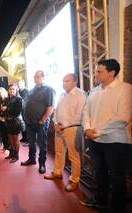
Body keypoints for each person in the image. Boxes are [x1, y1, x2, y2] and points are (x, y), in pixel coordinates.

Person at [79, 59, 132, 212]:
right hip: (95, 140)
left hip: (115, 141)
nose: (95, 74)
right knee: (99, 173)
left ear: (112, 73)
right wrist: (88, 129)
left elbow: (123, 117)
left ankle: (117, 207)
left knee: (117, 176)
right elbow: (86, 112)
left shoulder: (125, 89)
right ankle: (100, 201)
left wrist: (97, 132)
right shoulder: (95, 91)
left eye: (99, 71)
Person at [44, 73, 86, 192]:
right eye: (63, 81)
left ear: (75, 82)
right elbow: (57, 111)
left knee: (74, 156)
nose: (64, 83)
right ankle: (57, 172)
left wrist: (64, 126)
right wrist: (56, 123)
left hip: (72, 129)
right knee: (59, 152)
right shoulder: (62, 94)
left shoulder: (80, 95)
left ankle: (74, 180)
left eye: (67, 81)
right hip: (59, 129)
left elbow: (80, 114)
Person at [21, 70, 55, 174]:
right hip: (30, 123)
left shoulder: (49, 89)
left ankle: (42, 164)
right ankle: (32, 159)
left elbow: (51, 107)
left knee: (42, 144)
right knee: (31, 143)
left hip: (41, 123)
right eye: (34, 77)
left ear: (43, 77)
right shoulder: (31, 90)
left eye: (38, 76)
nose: (35, 78)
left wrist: (43, 120)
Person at [2, 84, 25, 163]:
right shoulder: (6, 99)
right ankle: (12, 153)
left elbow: (18, 111)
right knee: (10, 139)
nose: (12, 90)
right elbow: (3, 109)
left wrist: (6, 108)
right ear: (8, 90)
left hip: (16, 121)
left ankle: (16, 156)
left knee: (16, 140)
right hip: (8, 121)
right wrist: (3, 111)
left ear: (16, 91)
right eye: (10, 89)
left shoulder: (19, 99)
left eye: (13, 89)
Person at [17, 80, 28, 145]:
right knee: (22, 125)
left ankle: (27, 139)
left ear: (23, 84)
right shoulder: (19, 91)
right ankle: (24, 138)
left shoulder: (26, 91)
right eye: (18, 84)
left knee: (25, 125)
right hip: (20, 111)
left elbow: (24, 101)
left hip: (25, 111)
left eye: (20, 84)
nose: (19, 85)